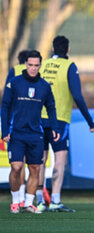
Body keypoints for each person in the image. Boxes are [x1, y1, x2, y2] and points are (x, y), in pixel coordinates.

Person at [36, 35, 94, 212]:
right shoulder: (70, 66)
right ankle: (55, 199)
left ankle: (39, 201)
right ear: (68, 49)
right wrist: (89, 121)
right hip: (59, 120)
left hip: (38, 118)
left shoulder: (43, 64)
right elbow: (77, 95)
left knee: (40, 160)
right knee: (60, 160)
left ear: (53, 49)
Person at [1, 50, 60, 214]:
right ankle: (15, 201)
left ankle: (28, 203)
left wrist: (54, 127)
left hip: (36, 134)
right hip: (17, 133)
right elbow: (5, 106)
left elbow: (51, 107)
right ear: (25, 65)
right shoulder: (14, 83)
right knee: (17, 167)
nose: (33, 68)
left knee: (35, 169)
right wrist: (5, 130)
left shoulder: (44, 86)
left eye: (36, 65)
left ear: (40, 65)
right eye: (30, 65)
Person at [5, 50, 29, 208]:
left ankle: (19, 198)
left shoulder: (13, 71)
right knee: (25, 164)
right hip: (26, 124)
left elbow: (7, 97)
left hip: (15, 122)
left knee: (17, 165)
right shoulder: (34, 74)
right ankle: (21, 197)